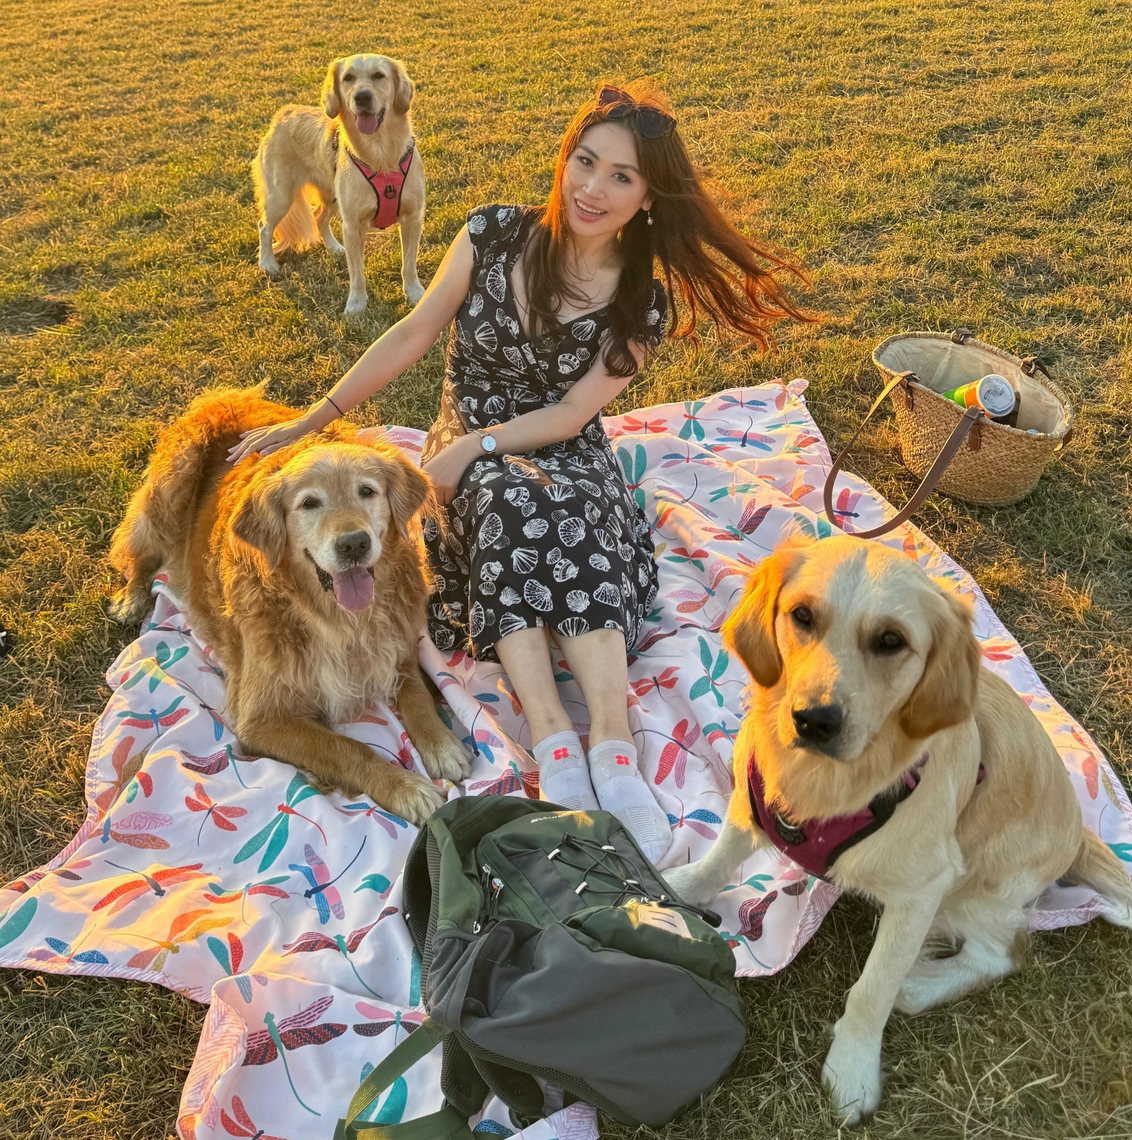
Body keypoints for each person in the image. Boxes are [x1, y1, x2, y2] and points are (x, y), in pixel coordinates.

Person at [229, 80, 815, 863]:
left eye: (621, 177)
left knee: (562, 506)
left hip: (560, 443)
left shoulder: (641, 301)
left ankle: (612, 746)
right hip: (467, 433)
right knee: (506, 502)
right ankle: (554, 744)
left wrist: (480, 447)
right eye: (585, 161)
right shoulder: (491, 236)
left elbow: (572, 416)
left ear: (648, 198)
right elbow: (412, 333)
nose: (592, 188)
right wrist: (313, 419)